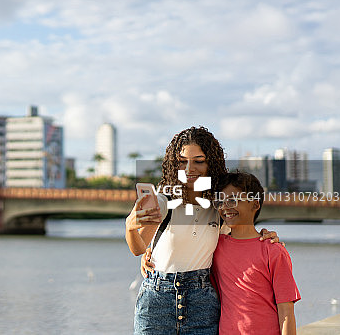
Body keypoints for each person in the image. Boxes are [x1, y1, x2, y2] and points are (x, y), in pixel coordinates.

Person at [126, 126, 280, 335]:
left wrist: (265, 237)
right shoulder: (163, 201)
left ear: (211, 164)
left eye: (198, 161)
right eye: (182, 161)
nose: (189, 169)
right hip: (157, 304)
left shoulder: (218, 207)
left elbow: (242, 237)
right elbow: (138, 248)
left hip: (202, 304)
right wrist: (130, 227)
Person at [210, 171, 300, 335]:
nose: (225, 207)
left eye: (233, 200)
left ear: (255, 204)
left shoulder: (273, 251)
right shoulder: (214, 247)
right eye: (220, 201)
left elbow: (286, 311)